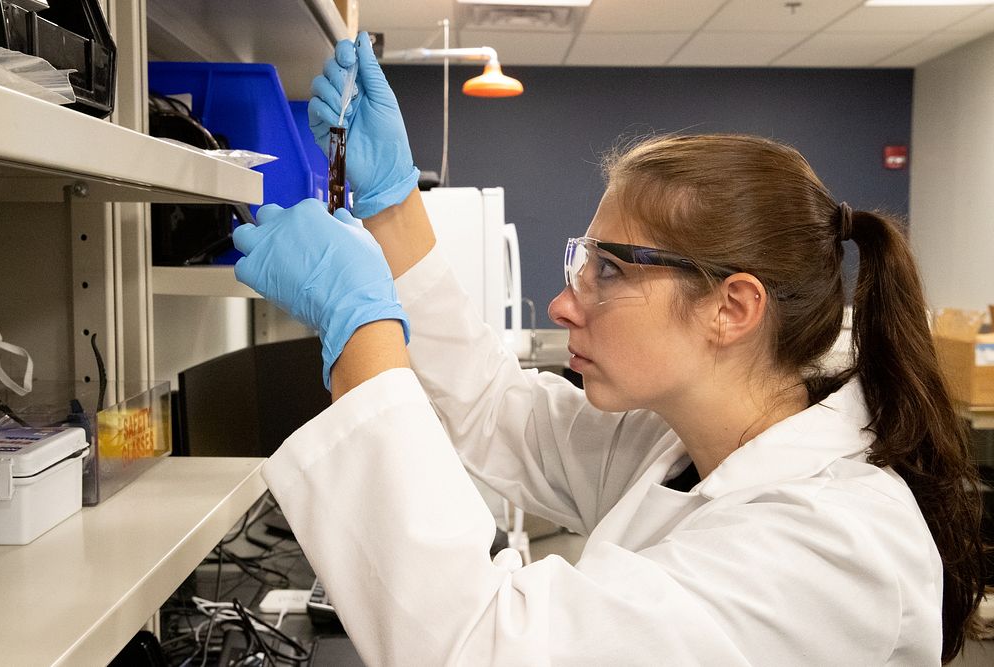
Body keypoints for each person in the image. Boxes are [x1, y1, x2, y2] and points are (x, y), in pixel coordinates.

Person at [232, 32, 987, 665]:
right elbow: (495, 409)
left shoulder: (831, 544)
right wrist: (395, 210)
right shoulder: (682, 444)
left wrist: (360, 325)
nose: (565, 302)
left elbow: (484, 647)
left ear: (733, 308)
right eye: (578, 263)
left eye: (609, 270)